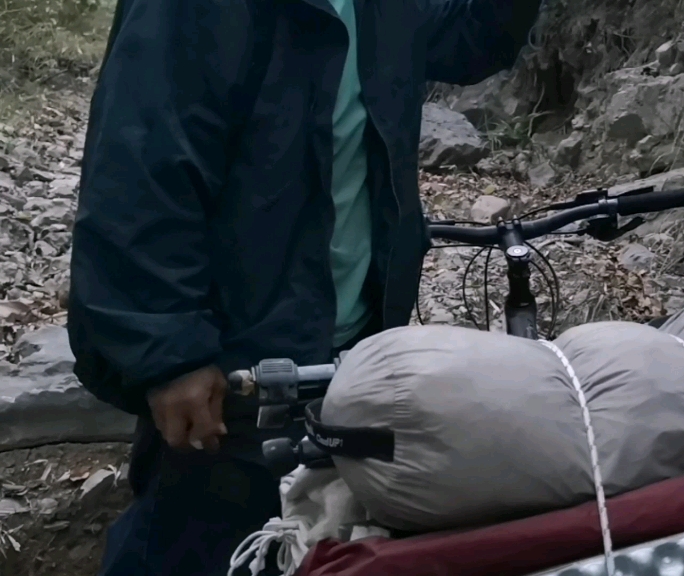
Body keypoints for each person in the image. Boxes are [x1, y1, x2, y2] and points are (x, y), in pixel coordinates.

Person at [66, 0, 543, 573]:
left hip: (354, 340)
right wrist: (169, 354)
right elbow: (139, 162)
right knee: (194, 540)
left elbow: (469, 41)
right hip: (232, 348)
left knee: (312, 538)